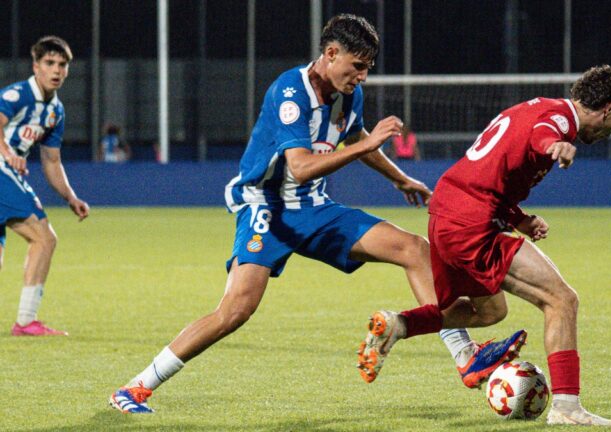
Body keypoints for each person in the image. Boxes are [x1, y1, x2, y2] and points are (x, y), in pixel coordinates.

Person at [110, 14, 516, 414]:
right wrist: (365, 145)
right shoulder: (290, 92)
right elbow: (302, 165)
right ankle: (136, 388)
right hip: (267, 211)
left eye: (368, 68)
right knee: (235, 311)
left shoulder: (348, 94)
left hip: (315, 207)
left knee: (414, 248)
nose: (362, 77)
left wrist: (400, 179)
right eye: (357, 66)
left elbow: (356, 136)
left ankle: (464, 356)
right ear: (330, 52)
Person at [359, 65, 611, 427]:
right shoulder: (558, 122)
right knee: (562, 299)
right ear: (608, 108)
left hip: (449, 213)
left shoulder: (537, 106)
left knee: (489, 312)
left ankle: (399, 324)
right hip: (472, 222)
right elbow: (543, 137)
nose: (610, 131)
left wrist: (519, 219)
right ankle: (567, 408)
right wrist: (555, 146)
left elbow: (492, 171)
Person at [0, 36, 89, 337]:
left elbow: (51, 162)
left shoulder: (55, 112)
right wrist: (9, 153)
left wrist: (70, 197)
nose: (57, 70)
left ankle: (26, 321)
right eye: (49, 63)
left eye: (62, 65)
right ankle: (26, 321)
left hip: (8, 173)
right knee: (44, 238)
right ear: (36, 66)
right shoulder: (18, 94)